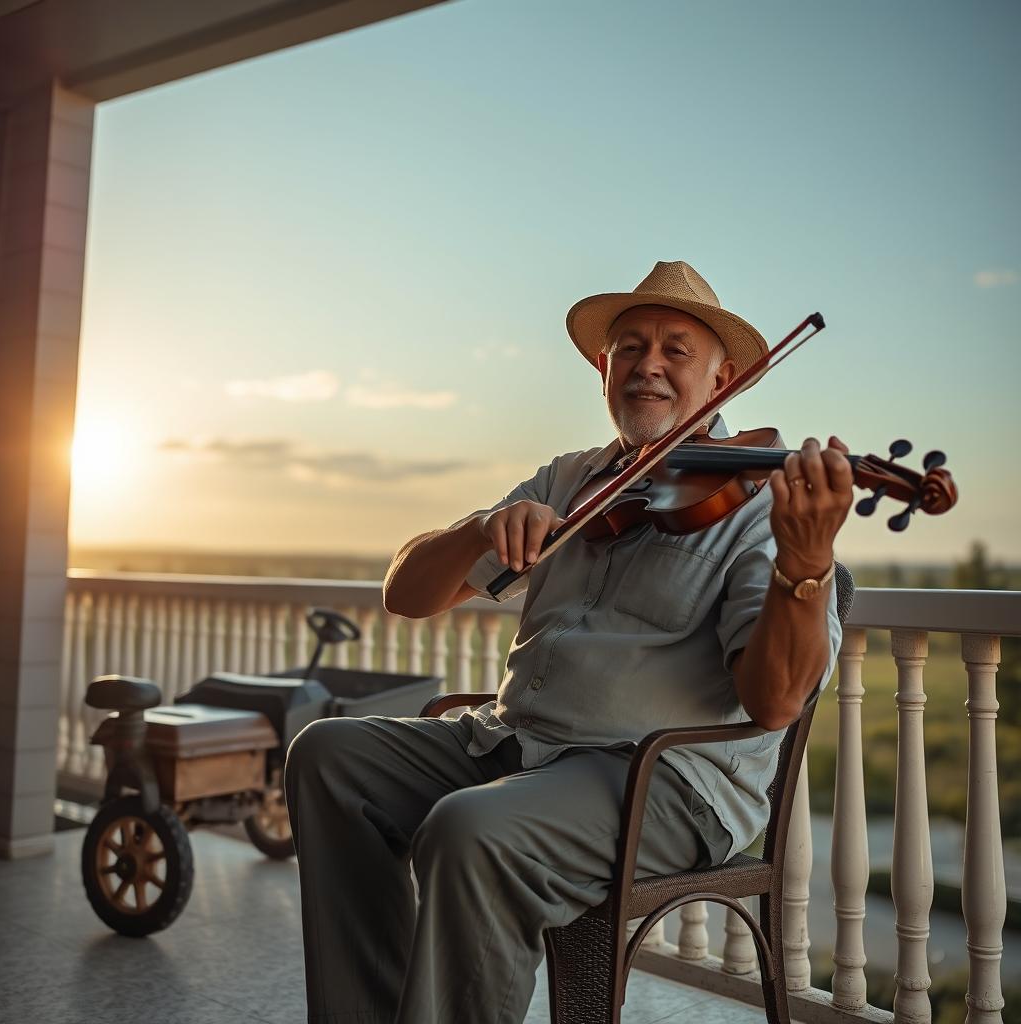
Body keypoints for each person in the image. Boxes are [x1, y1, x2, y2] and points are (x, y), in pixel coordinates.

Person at [284, 260, 852, 1024]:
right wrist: (477, 531)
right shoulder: (571, 481)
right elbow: (406, 594)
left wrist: (807, 563)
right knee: (327, 754)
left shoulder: (754, 509)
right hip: (518, 745)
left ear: (722, 383)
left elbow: (775, 700)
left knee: (470, 828)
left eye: (676, 349)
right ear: (602, 367)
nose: (648, 364)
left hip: (660, 782)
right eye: (629, 347)